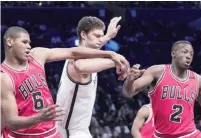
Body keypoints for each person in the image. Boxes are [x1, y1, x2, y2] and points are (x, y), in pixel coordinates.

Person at [1, 26, 129, 138]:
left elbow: (72, 52)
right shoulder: (4, 77)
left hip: (50, 131)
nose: (29, 46)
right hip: (24, 135)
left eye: (29, 42)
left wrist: (109, 54)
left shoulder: (36, 55)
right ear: (10, 41)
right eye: (24, 42)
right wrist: (39, 118)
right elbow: (12, 122)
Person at [123, 40, 201, 138]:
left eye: (191, 54)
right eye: (185, 52)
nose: (188, 56)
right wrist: (130, 80)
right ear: (173, 53)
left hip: (190, 134)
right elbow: (129, 92)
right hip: (162, 135)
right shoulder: (157, 72)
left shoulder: (198, 80)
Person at [56, 16, 129, 138]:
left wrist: (109, 36)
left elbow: (90, 51)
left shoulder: (82, 55)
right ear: (84, 35)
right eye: (97, 36)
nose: (100, 40)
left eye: (101, 36)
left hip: (77, 130)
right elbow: (81, 66)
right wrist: (118, 61)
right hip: (69, 132)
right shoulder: (76, 61)